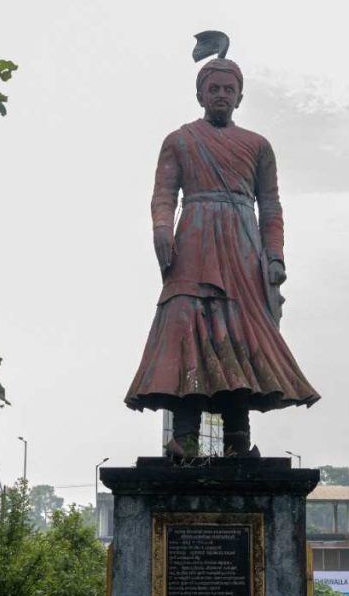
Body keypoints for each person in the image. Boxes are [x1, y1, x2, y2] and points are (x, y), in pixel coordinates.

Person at [125, 52, 319, 457]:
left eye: (229, 90)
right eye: (213, 88)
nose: (221, 95)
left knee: (237, 334)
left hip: (242, 249)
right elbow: (163, 195)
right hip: (193, 244)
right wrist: (162, 228)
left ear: (240, 97)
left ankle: (237, 440)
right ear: (200, 94)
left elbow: (271, 205)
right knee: (187, 328)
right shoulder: (179, 140)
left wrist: (275, 255)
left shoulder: (257, 146)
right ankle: (185, 436)